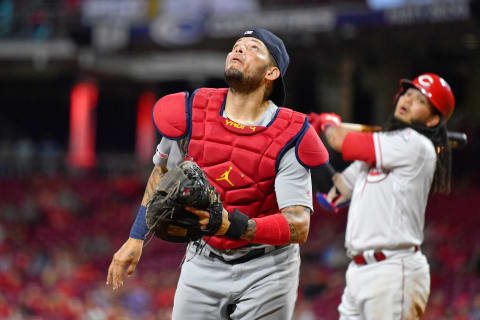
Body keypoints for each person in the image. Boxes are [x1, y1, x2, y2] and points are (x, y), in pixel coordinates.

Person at [107, 28, 330, 319]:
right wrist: (136, 238)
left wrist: (233, 226)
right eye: (236, 45)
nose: (239, 50)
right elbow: (161, 173)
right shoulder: (190, 109)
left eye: (252, 48)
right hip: (203, 258)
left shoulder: (290, 133)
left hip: (268, 268)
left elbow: (298, 225)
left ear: (272, 73)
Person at [309, 73, 455, 319]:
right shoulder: (382, 149)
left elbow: (340, 142)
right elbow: (336, 189)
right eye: (408, 93)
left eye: (420, 100)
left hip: (393, 270)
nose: (408, 99)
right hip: (358, 271)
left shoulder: (416, 145)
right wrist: (308, 141)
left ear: (432, 120)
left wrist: (328, 123)